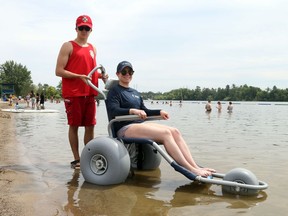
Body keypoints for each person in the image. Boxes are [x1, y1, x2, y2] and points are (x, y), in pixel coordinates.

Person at [106, 61, 215, 177]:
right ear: (118, 74)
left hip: (139, 125)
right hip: (124, 128)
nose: (127, 74)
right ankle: (190, 169)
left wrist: (159, 112)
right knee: (165, 133)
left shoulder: (135, 93)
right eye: (124, 72)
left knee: (175, 131)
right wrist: (132, 111)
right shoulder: (114, 91)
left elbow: (145, 110)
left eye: (130, 72)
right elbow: (113, 110)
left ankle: (195, 166)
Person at [55, 15, 108, 169]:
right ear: (76, 28)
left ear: (91, 30)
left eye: (87, 28)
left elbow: (90, 72)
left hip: (90, 93)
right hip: (73, 93)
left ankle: (88, 156)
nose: (84, 31)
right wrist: (78, 77)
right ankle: (77, 159)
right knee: (74, 125)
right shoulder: (68, 46)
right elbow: (59, 71)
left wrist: (102, 76)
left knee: (90, 126)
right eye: (81, 28)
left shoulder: (93, 48)